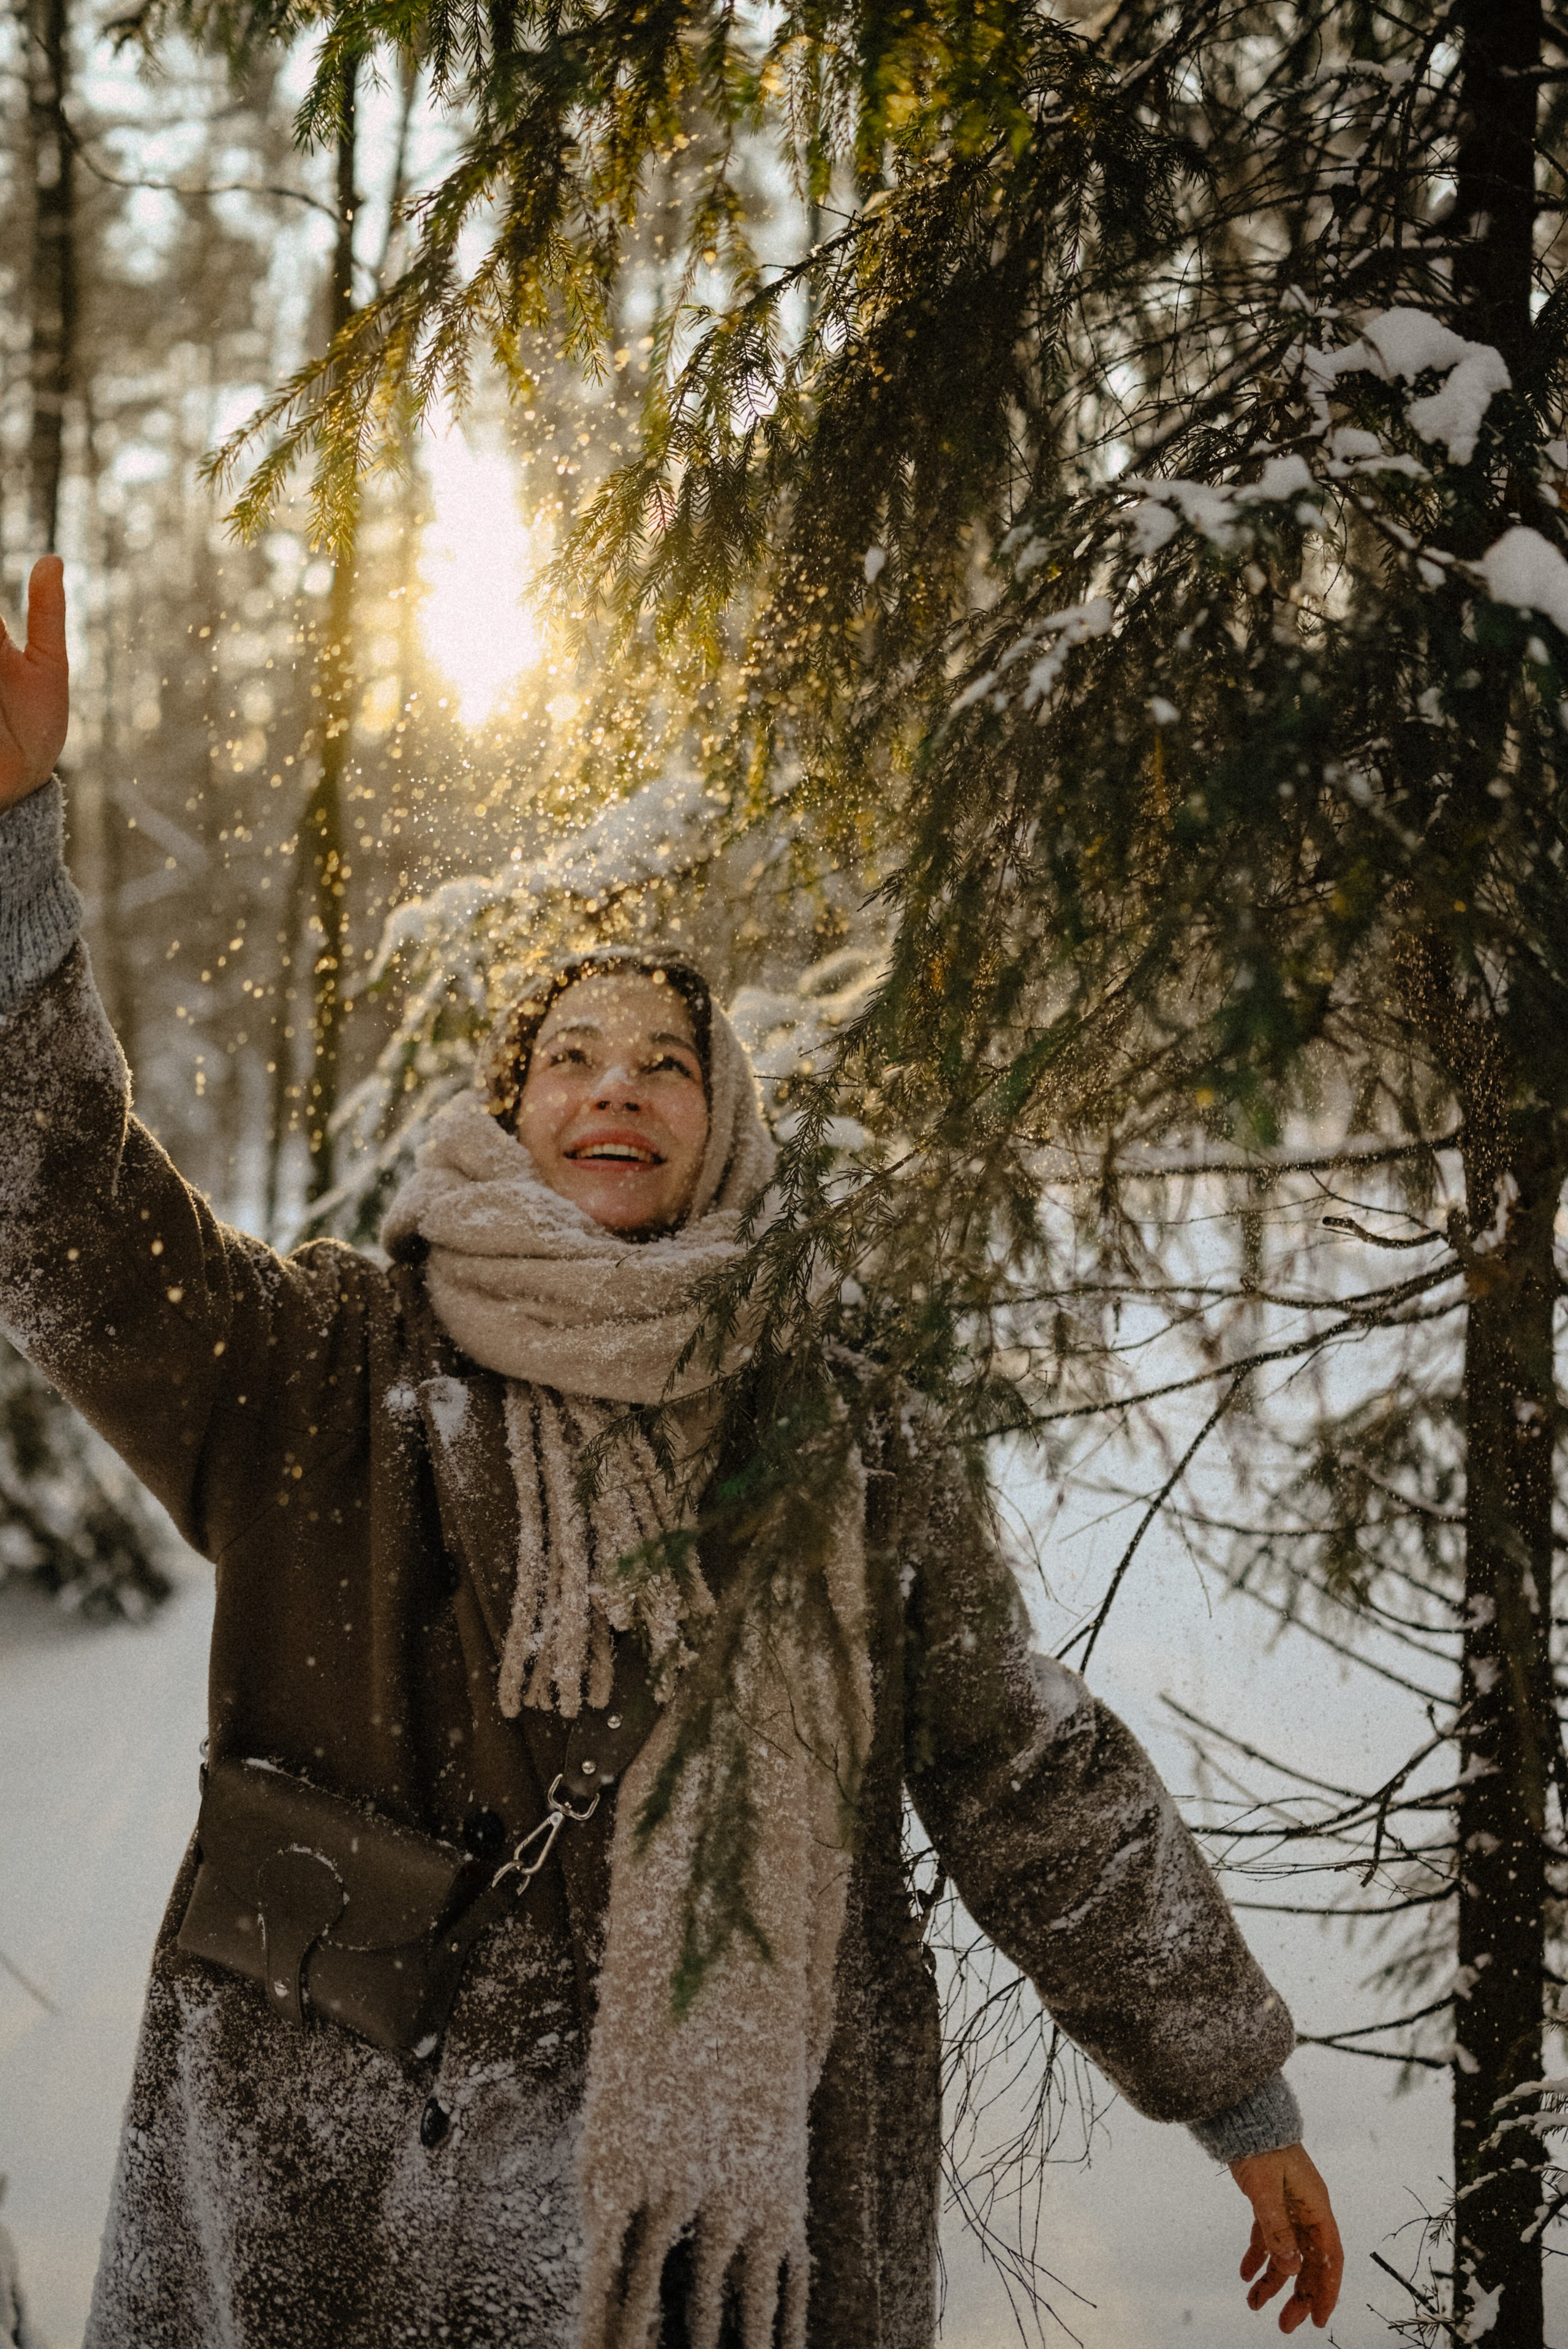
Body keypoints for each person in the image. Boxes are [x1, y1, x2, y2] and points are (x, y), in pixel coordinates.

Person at [0, 556, 1343, 2347]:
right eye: (570, 1055)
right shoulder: (324, 1364)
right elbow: (69, 1218)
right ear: (514, 1107)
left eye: (664, 1061)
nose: (615, 1085)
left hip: (719, 2252)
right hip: (350, 2209)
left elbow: (1025, 1764)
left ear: (723, 1131)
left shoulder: (849, 1436)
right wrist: (14, 856)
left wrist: (1231, 2083)